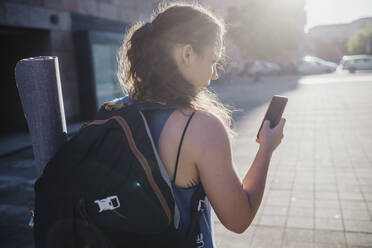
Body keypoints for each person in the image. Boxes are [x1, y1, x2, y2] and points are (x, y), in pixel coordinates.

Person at [113, 2, 285, 247]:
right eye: (213, 60)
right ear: (187, 54)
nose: (214, 74)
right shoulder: (200, 127)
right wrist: (266, 148)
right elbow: (239, 219)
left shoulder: (118, 109)